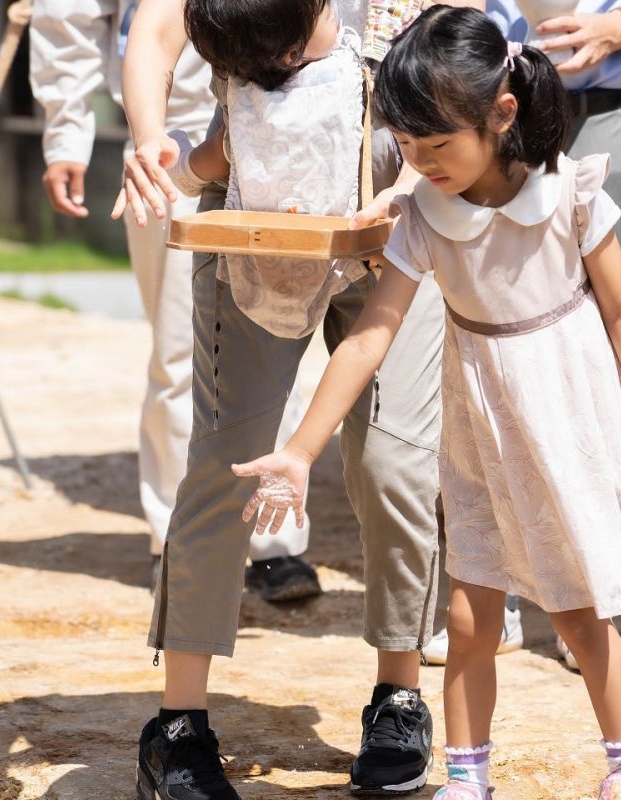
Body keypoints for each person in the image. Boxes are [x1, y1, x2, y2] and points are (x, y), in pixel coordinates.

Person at [234, 7, 621, 800]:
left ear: (501, 113)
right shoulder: (422, 218)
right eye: (407, 147)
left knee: (581, 616)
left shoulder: (574, 194)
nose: (422, 163)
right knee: (471, 623)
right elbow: (371, 337)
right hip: (481, 440)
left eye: (437, 145)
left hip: (565, 424)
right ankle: (468, 778)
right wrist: (300, 449)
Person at [118, 1, 454, 797]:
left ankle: (398, 694)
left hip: (396, 199)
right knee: (224, 462)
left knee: (394, 459)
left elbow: (458, 22)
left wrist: (414, 179)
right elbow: (158, 27)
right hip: (250, 199)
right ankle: (178, 727)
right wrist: (148, 138)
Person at [420, 0, 621, 669]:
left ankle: (593, 592)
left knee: (591, 347)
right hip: (480, 102)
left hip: (600, 97)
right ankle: (499, 589)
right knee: (491, 342)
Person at [28, 0, 323, 602]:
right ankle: (175, 539)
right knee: (179, 352)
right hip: (170, 132)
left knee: (281, 339)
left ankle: (275, 541)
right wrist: (67, 130)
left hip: (292, 121)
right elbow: (72, 13)